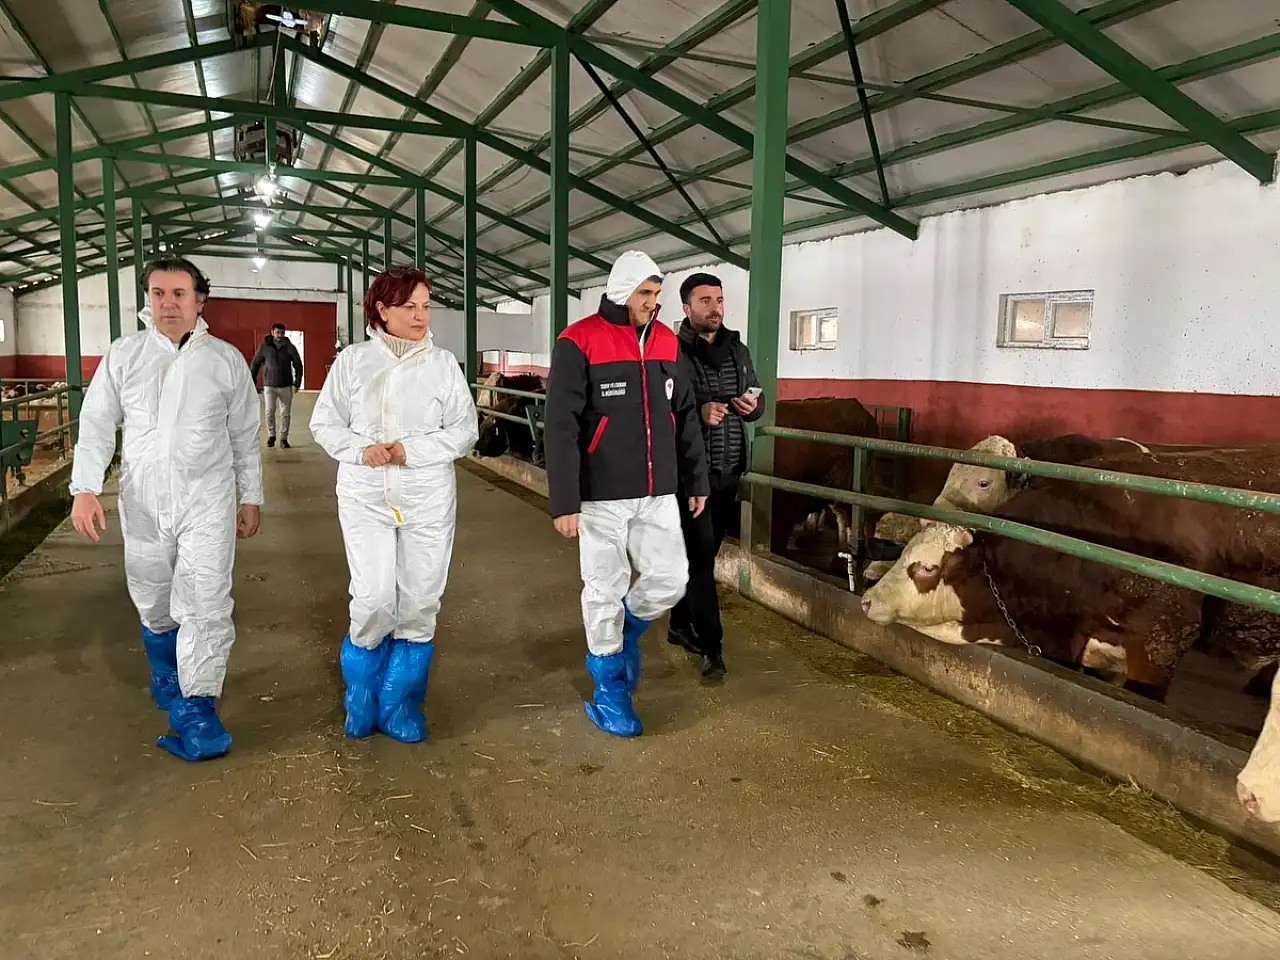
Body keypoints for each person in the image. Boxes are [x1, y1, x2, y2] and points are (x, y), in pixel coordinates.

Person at [69, 257, 263, 762]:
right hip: (144, 502)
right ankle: (166, 668)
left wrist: (250, 496)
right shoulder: (126, 355)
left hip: (207, 500)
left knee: (205, 603)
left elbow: (245, 435)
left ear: (200, 300)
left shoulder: (224, 360)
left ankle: (198, 708)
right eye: (158, 294)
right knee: (153, 598)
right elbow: (97, 422)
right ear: (148, 299)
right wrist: (85, 487)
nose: (168, 304)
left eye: (179, 294)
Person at [544, 250, 709, 738]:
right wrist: (565, 500)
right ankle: (610, 686)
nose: (652, 302)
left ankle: (627, 630)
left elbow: (686, 414)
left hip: (658, 491)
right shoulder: (579, 341)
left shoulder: (665, 342)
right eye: (644, 293)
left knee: (671, 578)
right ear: (621, 292)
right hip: (601, 495)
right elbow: (561, 425)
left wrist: (696, 479)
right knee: (603, 587)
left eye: (656, 293)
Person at [310, 266, 478, 743]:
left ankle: (401, 703)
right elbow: (324, 423)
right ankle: (362, 696)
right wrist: (359, 450)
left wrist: (411, 450)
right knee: (373, 598)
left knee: (421, 601)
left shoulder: (443, 365)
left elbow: (464, 430)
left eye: (426, 306)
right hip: (366, 498)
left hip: (427, 500)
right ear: (382, 310)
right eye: (409, 307)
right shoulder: (353, 362)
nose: (421, 316)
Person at [670, 273, 764, 680]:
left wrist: (753, 407)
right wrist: (698, 412)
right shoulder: (671, 351)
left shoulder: (738, 350)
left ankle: (678, 624)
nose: (715, 308)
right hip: (692, 474)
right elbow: (658, 407)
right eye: (705, 300)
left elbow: (757, 392)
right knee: (701, 561)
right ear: (687, 308)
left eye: (719, 300)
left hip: (730, 468)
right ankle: (712, 648)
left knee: (702, 557)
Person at [249, 322, 304, 449]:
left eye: (282, 333)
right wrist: (252, 382)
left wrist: (297, 383)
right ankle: (271, 435)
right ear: (272, 332)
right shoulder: (264, 347)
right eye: (277, 332)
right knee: (269, 411)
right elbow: (255, 364)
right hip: (270, 386)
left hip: (286, 386)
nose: (280, 335)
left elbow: (298, 365)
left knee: (285, 414)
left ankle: (284, 438)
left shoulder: (290, 347)